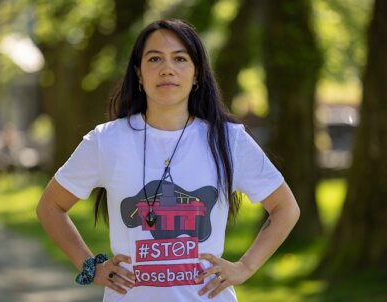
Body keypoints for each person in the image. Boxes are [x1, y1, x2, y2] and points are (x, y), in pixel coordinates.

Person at [36, 19, 300, 301]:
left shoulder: (228, 140)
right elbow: (50, 206)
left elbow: (285, 208)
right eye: (154, 58)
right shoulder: (106, 140)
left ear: (197, 74)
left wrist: (245, 267)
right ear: (139, 73)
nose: (167, 69)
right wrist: (90, 266)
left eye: (180, 59)